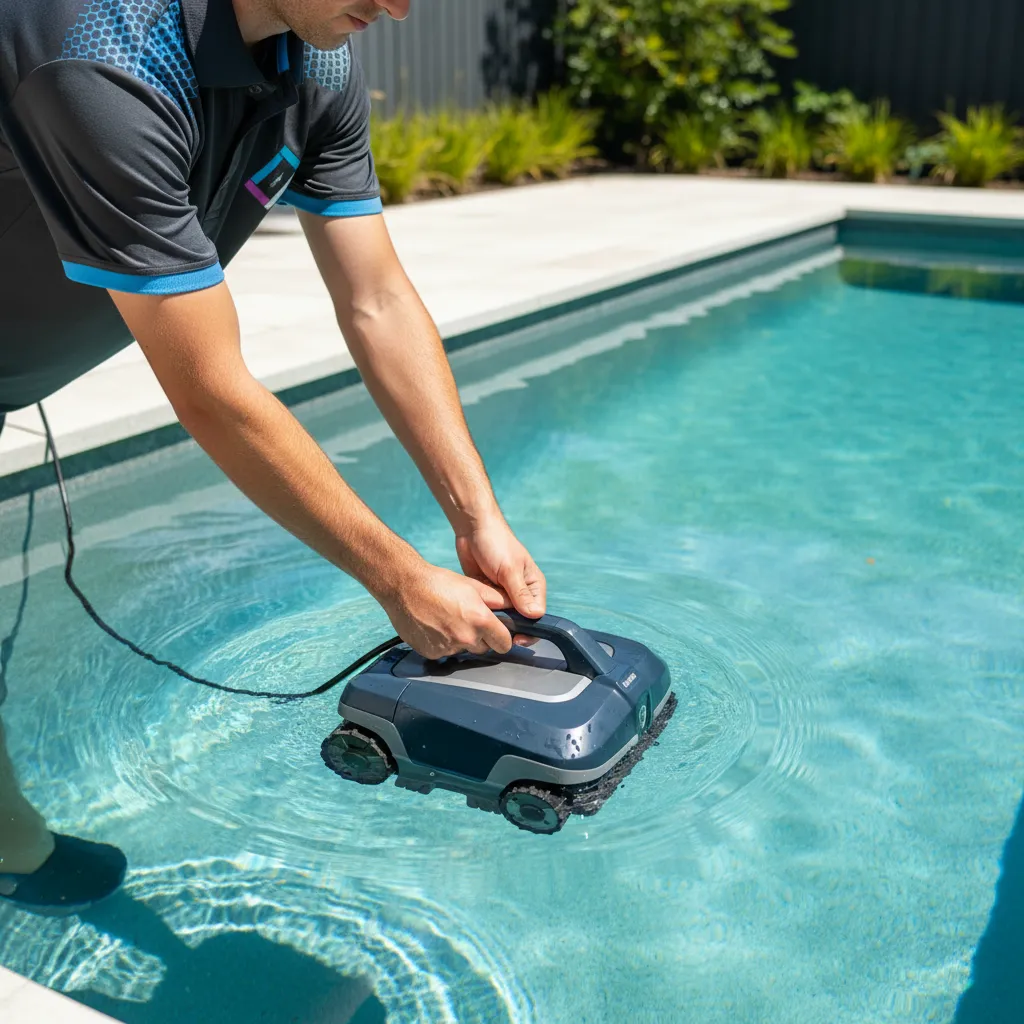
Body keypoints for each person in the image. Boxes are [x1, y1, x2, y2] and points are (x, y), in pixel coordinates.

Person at [0, 0, 546, 911]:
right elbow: (210, 387)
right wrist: (398, 577)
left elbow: (376, 300)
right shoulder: (101, 60)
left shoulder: (315, 58)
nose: (402, 6)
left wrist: (477, 519)